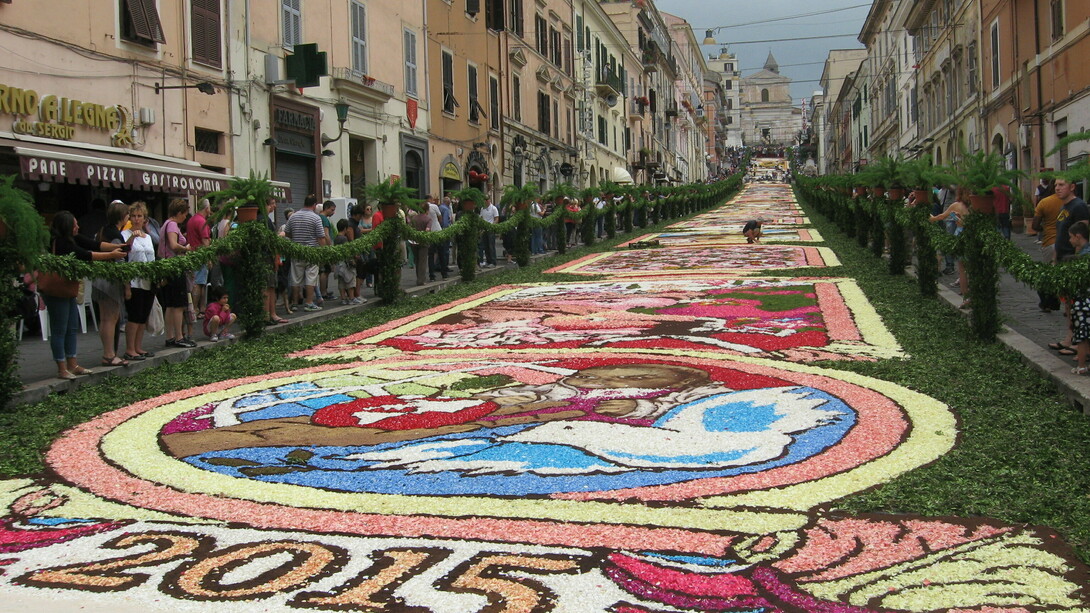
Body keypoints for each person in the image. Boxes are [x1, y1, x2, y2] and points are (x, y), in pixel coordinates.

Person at [42, 211, 126, 379]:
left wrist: (121, 247)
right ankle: (62, 367)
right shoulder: (61, 243)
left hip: (68, 289)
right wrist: (112, 255)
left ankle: (73, 364)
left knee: (72, 327)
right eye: (74, 224)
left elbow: (95, 245)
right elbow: (87, 255)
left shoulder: (74, 238)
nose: (78, 227)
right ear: (66, 227)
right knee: (60, 329)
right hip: (57, 290)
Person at [93, 200, 133, 367]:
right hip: (110, 281)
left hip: (99, 278)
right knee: (111, 318)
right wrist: (127, 285)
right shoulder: (116, 236)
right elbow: (120, 261)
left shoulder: (101, 231)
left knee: (104, 319)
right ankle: (109, 354)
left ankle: (107, 352)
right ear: (122, 217)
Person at [121, 201, 156, 361]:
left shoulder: (148, 237)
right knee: (134, 315)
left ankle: (138, 346)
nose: (136, 219)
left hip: (148, 280)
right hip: (134, 281)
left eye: (139, 216)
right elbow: (124, 254)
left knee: (143, 315)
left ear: (144, 219)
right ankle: (129, 348)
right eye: (133, 216)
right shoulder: (124, 235)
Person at [160, 198, 197, 348]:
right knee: (178, 304)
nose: (185, 218)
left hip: (167, 266)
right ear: (180, 212)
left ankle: (170, 336)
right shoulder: (173, 225)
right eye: (184, 214)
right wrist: (186, 248)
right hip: (175, 267)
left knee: (169, 304)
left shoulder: (165, 224)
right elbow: (174, 245)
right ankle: (178, 337)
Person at [285, 194, 330, 311]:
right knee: (311, 277)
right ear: (314, 205)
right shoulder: (316, 218)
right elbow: (321, 237)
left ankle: (295, 303)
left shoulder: (293, 217)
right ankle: (309, 302)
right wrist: (324, 251)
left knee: (296, 278)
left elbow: (287, 233)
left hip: (297, 250)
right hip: (311, 251)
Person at [929, 187, 972, 308]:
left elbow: (940, 217)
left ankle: (966, 298)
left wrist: (930, 216)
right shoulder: (976, 206)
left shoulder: (956, 205)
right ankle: (974, 296)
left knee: (962, 268)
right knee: (972, 268)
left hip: (961, 237)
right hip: (973, 237)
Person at [1034, 185, 1065, 312]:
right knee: (1065, 274)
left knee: (1049, 273)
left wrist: (1044, 229)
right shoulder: (1069, 202)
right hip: (1067, 242)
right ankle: (1067, 306)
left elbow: (1035, 225)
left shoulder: (1044, 202)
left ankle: (1047, 302)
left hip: (1049, 241)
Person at [1068, 222, 1090, 375]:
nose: (1069, 241)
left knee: (1082, 335)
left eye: (1071, 237)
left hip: (1083, 301)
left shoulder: (1083, 257)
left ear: (1078, 236)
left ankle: (1081, 366)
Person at [186, 199, 212, 317]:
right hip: (200, 255)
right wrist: (209, 258)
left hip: (192, 254)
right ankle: (196, 309)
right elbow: (205, 241)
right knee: (199, 283)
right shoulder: (202, 222)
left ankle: (198, 309)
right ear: (206, 208)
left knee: (195, 281)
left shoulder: (192, 220)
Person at [333, 219, 363, 304]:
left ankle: (343, 298)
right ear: (345, 228)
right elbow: (347, 251)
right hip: (346, 264)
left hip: (339, 263)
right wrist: (353, 258)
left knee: (341, 282)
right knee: (350, 281)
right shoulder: (344, 239)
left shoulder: (336, 238)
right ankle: (351, 298)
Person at [276, 208, 295, 314]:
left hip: (287, 257)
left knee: (288, 279)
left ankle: (290, 302)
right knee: (284, 280)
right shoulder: (284, 228)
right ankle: (288, 303)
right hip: (283, 258)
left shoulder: (286, 228)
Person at [319, 200, 337, 302]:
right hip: (325, 248)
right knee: (325, 271)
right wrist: (330, 247)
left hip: (321, 247)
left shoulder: (318, 217)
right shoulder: (324, 219)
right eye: (332, 210)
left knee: (324, 270)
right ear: (326, 208)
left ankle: (323, 291)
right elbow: (326, 234)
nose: (333, 212)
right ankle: (324, 292)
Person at [409, 205, 431, 286]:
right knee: (422, 261)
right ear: (427, 210)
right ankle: (421, 280)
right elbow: (427, 230)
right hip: (423, 242)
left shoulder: (414, 218)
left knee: (417, 261)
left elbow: (410, 229)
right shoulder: (428, 219)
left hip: (414, 242)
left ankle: (418, 277)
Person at [479, 197, 499, 267]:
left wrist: (492, 226)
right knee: (485, 245)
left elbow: (496, 219)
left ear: (489, 200)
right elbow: (481, 218)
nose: (486, 201)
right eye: (485, 200)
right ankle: (488, 261)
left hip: (490, 228)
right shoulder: (482, 208)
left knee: (491, 245)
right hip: (484, 229)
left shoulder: (493, 208)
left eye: (487, 200)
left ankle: (493, 261)